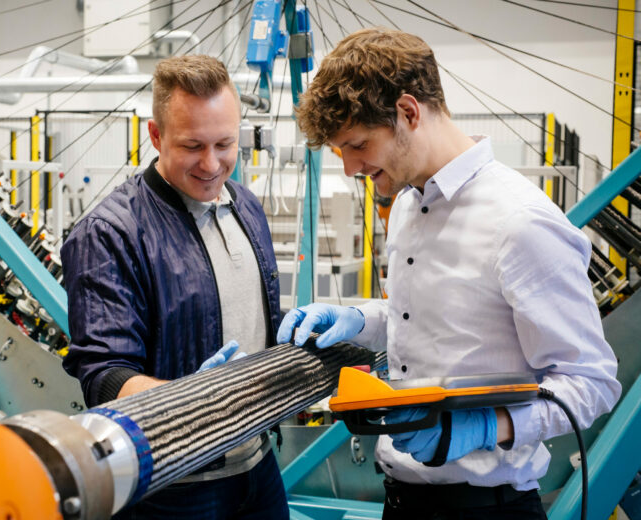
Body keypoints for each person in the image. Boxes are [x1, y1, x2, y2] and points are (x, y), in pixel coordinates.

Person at [278, 28, 620, 520]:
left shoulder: (520, 222)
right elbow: (427, 320)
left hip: (486, 509)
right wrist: (358, 318)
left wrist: (485, 427)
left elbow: (592, 382)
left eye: (357, 144)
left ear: (408, 112)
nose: (350, 167)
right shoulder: (407, 204)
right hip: (401, 501)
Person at [61, 55, 289, 519]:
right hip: (174, 487)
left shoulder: (245, 206)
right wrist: (190, 402)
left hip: (259, 466)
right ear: (156, 136)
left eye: (225, 144)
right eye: (192, 146)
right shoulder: (111, 233)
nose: (212, 164)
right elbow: (104, 376)